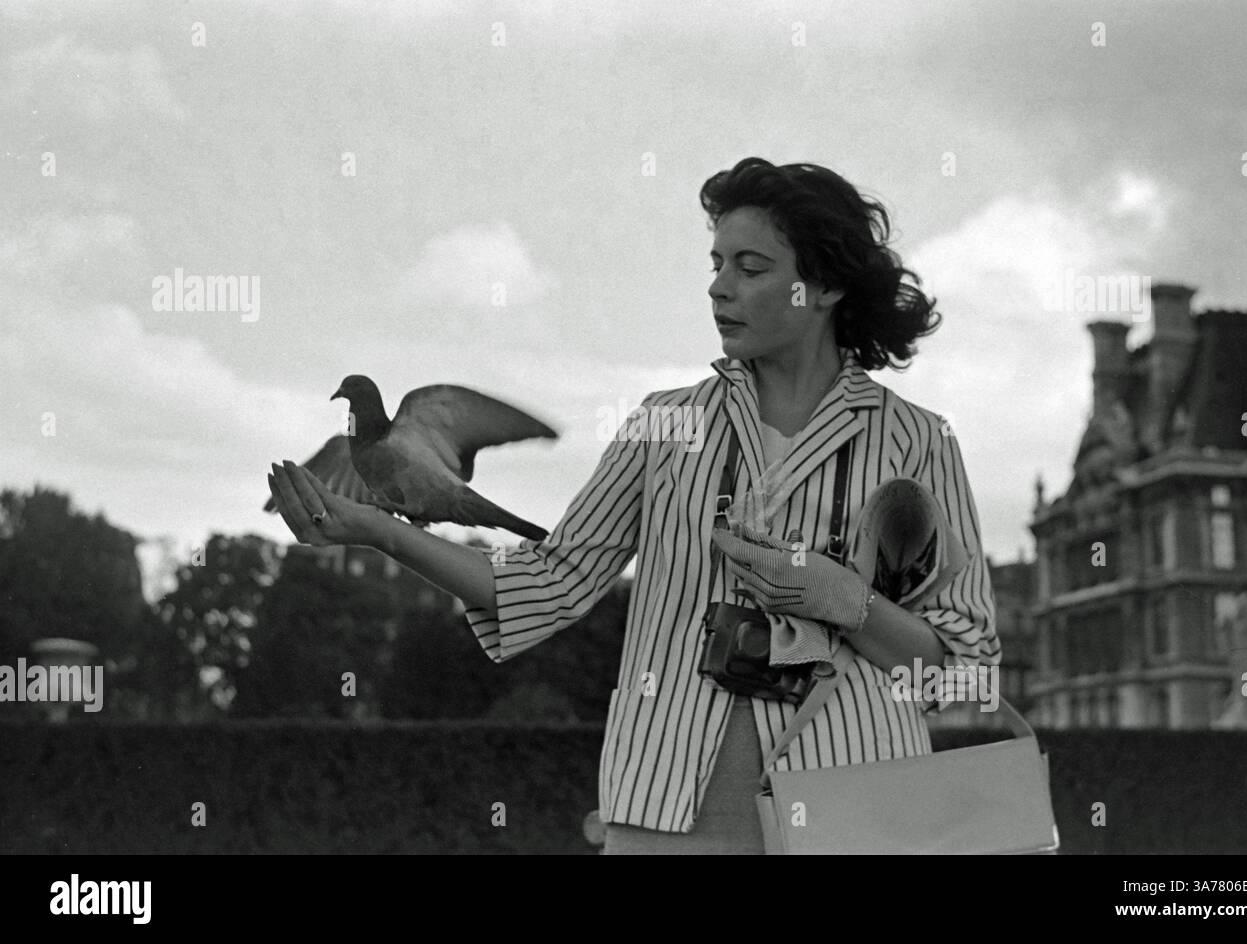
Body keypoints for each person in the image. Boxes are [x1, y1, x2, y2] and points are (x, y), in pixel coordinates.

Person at [268, 157, 1000, 854]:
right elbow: (548, 583)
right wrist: (380, 534)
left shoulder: (918, 441)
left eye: (751, 268)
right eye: (716, 265)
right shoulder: (662, 423)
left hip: (861, 820)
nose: (719, 288)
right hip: (667, 816)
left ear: (828, 285)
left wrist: (850, 602)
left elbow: (961, 668)